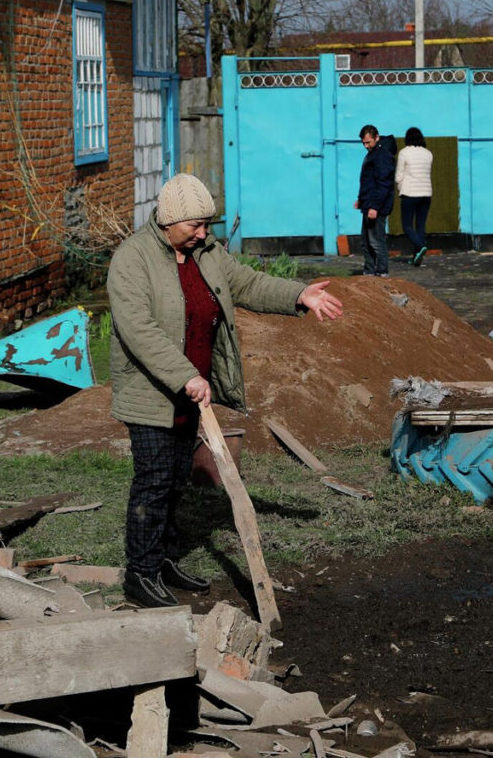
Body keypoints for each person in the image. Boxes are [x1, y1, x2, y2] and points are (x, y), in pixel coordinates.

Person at [106, 173, 343, 608]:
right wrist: (185, 375)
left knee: (177, 480)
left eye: (206, 224)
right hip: (152, 391)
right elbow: (138, 330)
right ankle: (140, 574)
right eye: (195, 226)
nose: (203, 233)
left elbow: (249, 284)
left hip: (190, 389)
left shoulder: (206, 252)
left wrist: (299, 294)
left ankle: (162, 560)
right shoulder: (132, 259)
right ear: (168, 221)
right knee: (154, 482)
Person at [354, 125, 396, 277]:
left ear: (377, 137)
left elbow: (383, 184)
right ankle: (369, 271)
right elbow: (368, 182)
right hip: (369, 204)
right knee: (366, 242)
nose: (366, 146)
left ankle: (382, 272)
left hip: (376, 207)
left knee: (376, 241)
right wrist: (361, 200)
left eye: (368, 142)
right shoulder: (373, 153)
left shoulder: (382, 155)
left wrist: (374, 207)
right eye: (363, 143)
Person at [395, 126, 434, 267]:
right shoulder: (428, 153)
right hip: (426, 193)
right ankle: (417, 257)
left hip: (410, 193)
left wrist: (400, 188)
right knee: (420, 227)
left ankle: (420, 246)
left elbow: (399, 175)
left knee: (407, 226)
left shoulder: (404, 152)